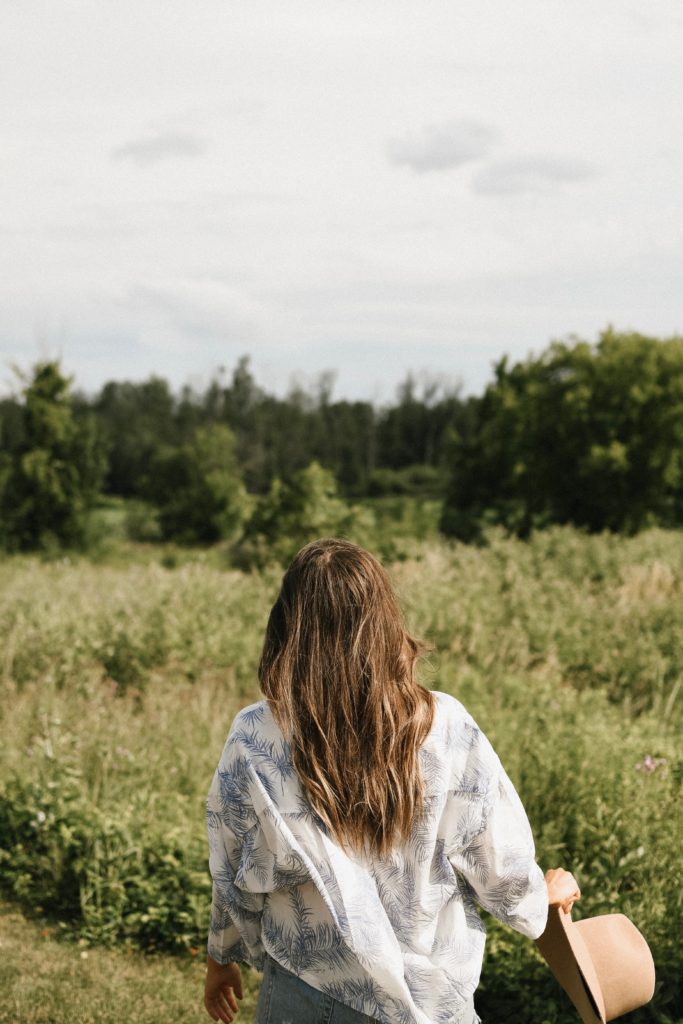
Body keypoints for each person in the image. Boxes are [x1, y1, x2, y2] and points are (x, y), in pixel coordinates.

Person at [203, 538, 580, 1024]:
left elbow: (231, 865)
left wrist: (221, 959)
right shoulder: (445, 725)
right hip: (431, 1001)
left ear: (288, 622)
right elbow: (496, 861)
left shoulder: (256, 733)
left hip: (307, 990)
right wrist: (537, 896)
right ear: (385, 620)